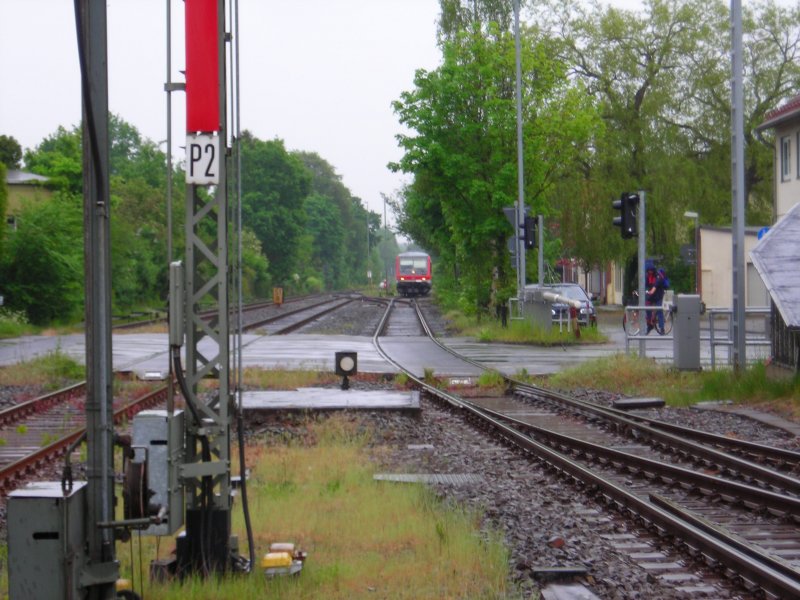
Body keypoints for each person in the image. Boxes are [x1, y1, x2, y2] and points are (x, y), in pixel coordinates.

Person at [645, 266, 667, 334]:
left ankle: (662, 328)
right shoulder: (648, 276)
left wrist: (650, 292)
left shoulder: (658, 276)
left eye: (651, 271)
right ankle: (649, 325)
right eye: (648, 271)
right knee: (647, 307)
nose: (650, 272)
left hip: (658, 295)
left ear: (653, 271)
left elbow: (655, 286)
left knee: (659, 310)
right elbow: (645, 286)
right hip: (652, 295)